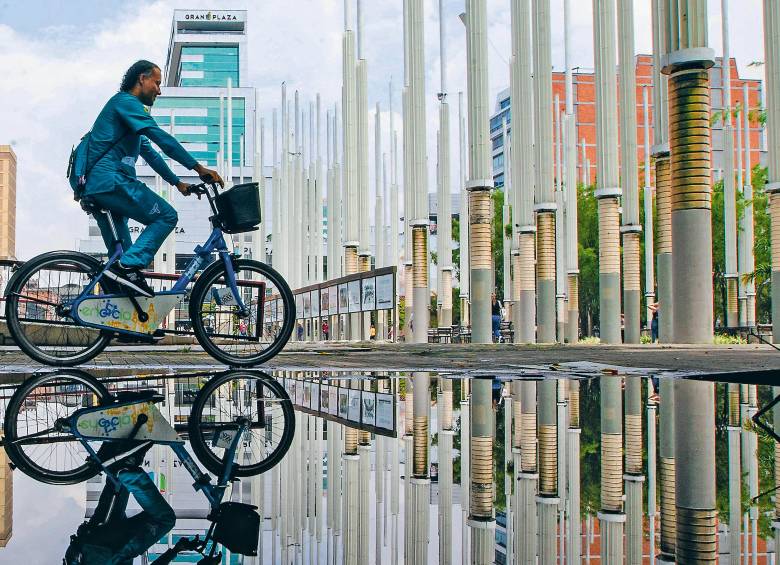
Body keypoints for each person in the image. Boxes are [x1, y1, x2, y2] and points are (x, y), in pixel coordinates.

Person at [84, 60, 223, 297]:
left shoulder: (130, 121)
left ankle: (127, 324)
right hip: (110, 181)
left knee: (125, 265)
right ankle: (125, 269)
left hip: (100, 186)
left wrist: (178, 183)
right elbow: (161, 138)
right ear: (142, 79)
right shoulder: (125, 103)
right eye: (157, 83)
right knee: (167, 216)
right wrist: (198, 168)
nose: (159, 90)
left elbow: (152, 154)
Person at [63, 440, 196, 564]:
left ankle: (129, 473)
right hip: (91, 542)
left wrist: (175, 550)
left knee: (165, 520)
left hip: (107, 552)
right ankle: (125, 437)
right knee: (117, 482)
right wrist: (176, 550)